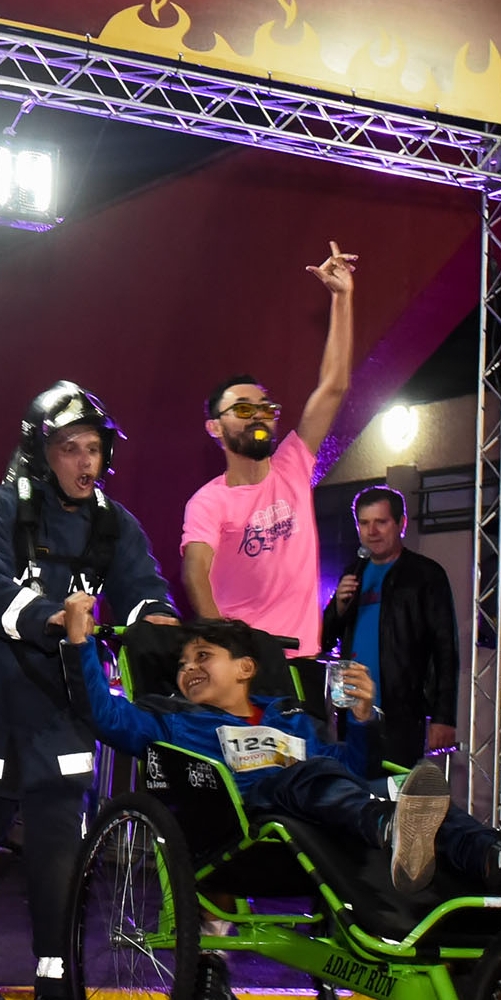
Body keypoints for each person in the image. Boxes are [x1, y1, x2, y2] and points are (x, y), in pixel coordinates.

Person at [0, 383, 177, 1000]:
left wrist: (160, 624)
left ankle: (54, 986)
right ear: (41, 452)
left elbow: (143, 588)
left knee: (59, 839)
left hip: (65, 706)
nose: (85, 463)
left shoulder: (114, 525)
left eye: (94, 449)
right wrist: (52, 619)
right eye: (70, 449)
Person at [63, 601, 501, 901]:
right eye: (183, 662)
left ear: (244, 668)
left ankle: (498, 859)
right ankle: (394, 830)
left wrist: (364, 717)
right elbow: (104, 717)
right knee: (303, 778)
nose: (188, 668)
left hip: (333, 814)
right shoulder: (172, 721)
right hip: (257, 828)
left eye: (204, 656)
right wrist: (82, 641)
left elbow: (352, 771)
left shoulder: (293, 719)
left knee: (396, 784)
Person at [182, 243, 357, 682]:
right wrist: (224, 644)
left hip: (304, 662)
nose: (258, 414)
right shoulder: (208, 502)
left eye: (264, 407)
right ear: (214, 428)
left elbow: (333, 386)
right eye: (242, 409)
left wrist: (342, 298)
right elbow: (195, 570)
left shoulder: (292, 463)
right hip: (245, 667)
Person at [318, 484, 460, 769]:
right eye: (364, 523)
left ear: (401, 524)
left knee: (395, 796)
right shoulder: (353, 571)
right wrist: (338, 608)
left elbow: (445, 648)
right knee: (355, 794)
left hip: (401, 713)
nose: (372, 531)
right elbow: (325, 640)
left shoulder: (425, 574)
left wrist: (444, 717)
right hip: (353, 713)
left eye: (381, 522)